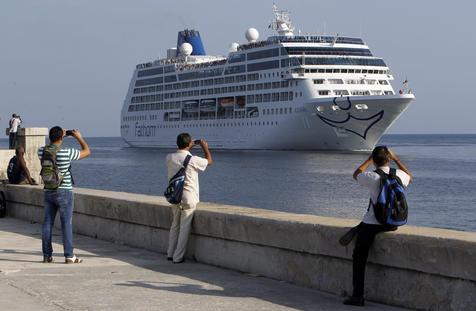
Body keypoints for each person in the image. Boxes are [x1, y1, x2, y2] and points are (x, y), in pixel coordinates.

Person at [342, 146, 412, 306]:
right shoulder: (399, 175)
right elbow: (410, 177)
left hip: (372, 224)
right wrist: (397, 160)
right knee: (363, 228)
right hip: (391, 223)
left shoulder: (372, 176)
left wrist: (368, 160)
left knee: (359, 257)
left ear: (374, 160)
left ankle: (357, 296)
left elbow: (356, 174)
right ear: (388, 159)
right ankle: (357, 229)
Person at [38, 127, 91, 264]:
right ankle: (69, 255)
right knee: (66, 223)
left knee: (47, 223)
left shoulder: (42, 151)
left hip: (48, 190)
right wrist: (77, 136)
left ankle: (47, 255)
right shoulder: (66, 152)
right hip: (64, 191)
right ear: (62, 137)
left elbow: (49, 149)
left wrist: (60, 135)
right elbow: (87, 151)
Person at [166, 133, 212, 263]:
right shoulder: (193, 159)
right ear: (189, 144)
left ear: (177, 143)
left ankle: (170, 253)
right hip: (188, 197)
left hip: (175, 195)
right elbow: (209, 162)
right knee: (184, 228)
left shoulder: (169, 157)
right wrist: (204, 147)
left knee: (175, 226)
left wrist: (187, 147)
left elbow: (181, 156)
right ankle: (178, 257)